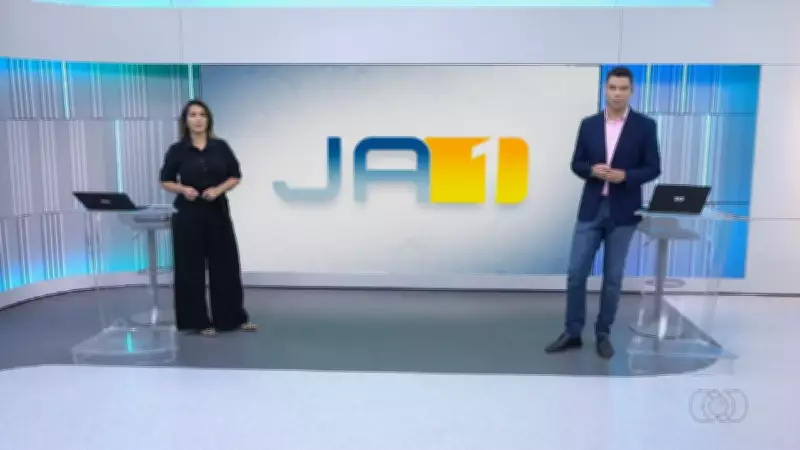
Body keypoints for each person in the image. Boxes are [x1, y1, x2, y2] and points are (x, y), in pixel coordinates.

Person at [545, 66, 661, 359]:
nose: (617, 93)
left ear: (631, 91)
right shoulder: (589, 125)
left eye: (623, 88)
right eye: (612, 88)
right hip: (591, 208)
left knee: (612, 278)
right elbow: (576, 163)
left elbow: (653, 168)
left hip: (624, 211)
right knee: (576, 273)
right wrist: (591, 170)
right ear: (605, 90)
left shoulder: (645, 126)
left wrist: (626, 176)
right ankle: (573, 332)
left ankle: (603, 333)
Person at [159, 99, 257, 336]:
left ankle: (231, 318)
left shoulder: (220, 147)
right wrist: (183, 189)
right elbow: (165, 180)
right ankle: (197, 322)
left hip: (217, 211)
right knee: (189, 267)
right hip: (188, 213)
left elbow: (235, 175)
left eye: (202, 115)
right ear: (186, 121)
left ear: (209, 119)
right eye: (193, 115)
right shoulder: (177, 150)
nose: (198, 119)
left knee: (225, 265)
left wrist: (218, 189)